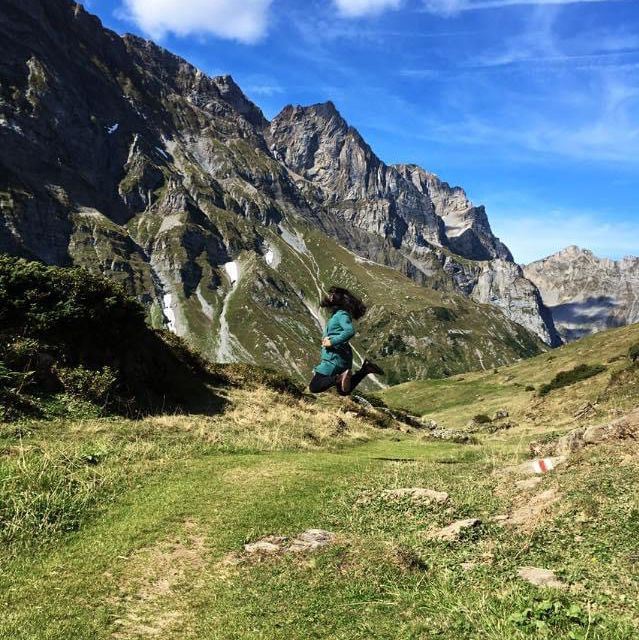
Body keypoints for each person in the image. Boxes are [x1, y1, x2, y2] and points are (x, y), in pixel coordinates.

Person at [308, 286, 384, 395]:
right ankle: (365, 370)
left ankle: (338, 378)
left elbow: (349, 331)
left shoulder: (342, 314)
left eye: (332, 295)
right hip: (341, 358)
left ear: (338, 299)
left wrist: (332, 342)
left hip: (334, 358)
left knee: (314, 387)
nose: (329, 296)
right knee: (343, 391)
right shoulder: (338, 314)